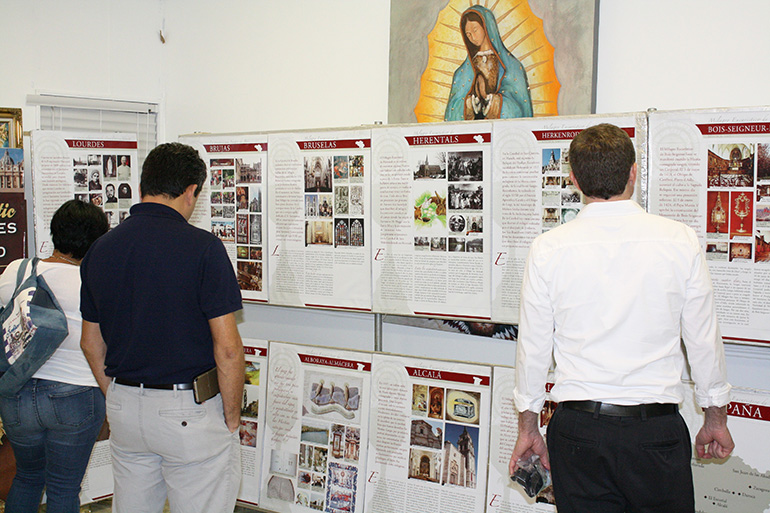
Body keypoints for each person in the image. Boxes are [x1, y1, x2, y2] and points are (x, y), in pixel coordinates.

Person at [509, 123, 734, 513]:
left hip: (579, 433)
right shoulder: (679, 240)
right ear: (633, 171)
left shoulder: (548, 249)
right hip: (656, 433)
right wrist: (715, 417)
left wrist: (528, 427)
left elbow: (532, 348)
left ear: (574, 178)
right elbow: (702, 340)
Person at [79, 142, 244, 513]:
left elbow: (91, 343)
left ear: (142, 186)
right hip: (187, 408)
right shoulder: (203, 248)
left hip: (125, 408)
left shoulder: (100, 250)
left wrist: (118, 395)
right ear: (190, 192)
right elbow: (229, 348)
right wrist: (231, 416)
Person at [0, 200, 109, 513]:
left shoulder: (16, 271)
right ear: (97, 242)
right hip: (75, 395)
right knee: (63, 488)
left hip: (16, 394)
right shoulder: (94, 284)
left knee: (27, 477)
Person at [444, 5, 533, 121]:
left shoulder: (513, 67)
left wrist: (492, 101)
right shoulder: (462, 72)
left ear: (486, 27)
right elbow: (453, 111)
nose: (473, 37)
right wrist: (470, 104)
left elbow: (520, 108)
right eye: (468, 34)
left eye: (475, 30)